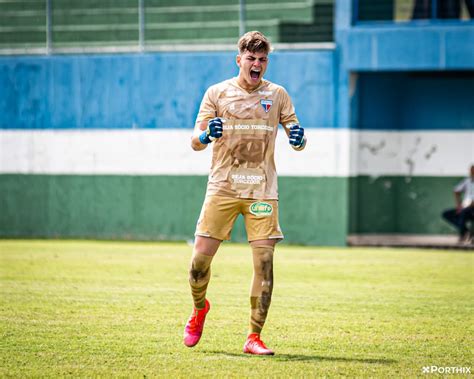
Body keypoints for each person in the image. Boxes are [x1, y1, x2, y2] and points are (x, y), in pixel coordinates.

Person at [183, 31, 306, 355]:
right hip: (223, 186)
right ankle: (199, 309)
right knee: (198, 265)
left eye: (262, 59)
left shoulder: (277, 94)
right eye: (251, 59)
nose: (257, 64)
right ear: (239, 60)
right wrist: (208, 134)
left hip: (262, 190)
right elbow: (195, 142)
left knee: (265, 263)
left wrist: (297, 137)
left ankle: (254, 337)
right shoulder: (217, 93)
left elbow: (296, 133)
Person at [441, 164, 474, 244]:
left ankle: (463, 235)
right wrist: (459, 205)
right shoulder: (467, 181)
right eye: (471, 170)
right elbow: (456, 191)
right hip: (465, 208)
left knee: (463, 212)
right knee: (446, 214)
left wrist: (467, 206)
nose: (471, 172)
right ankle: (466, 231)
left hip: (471, 209)